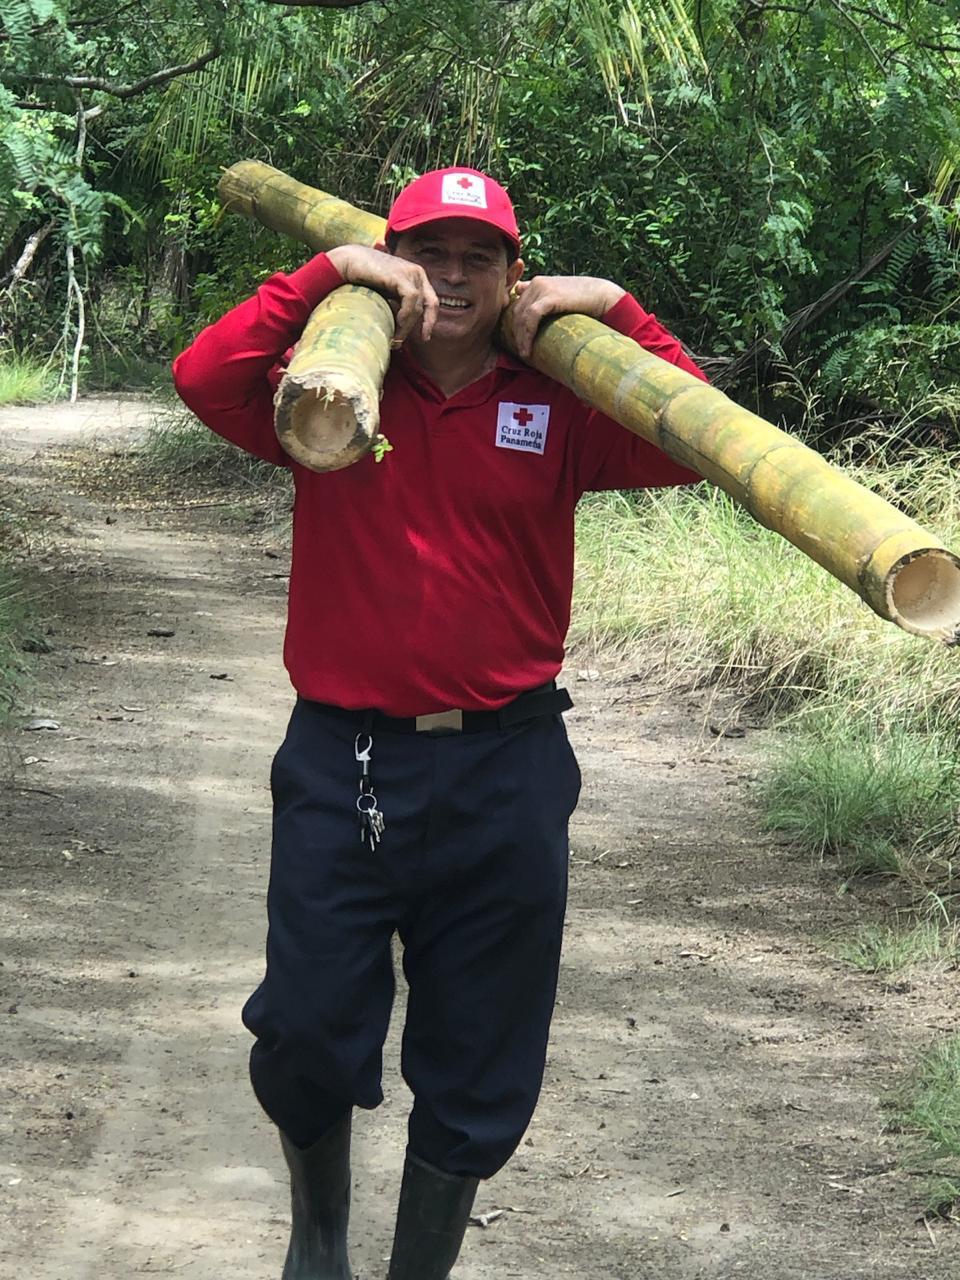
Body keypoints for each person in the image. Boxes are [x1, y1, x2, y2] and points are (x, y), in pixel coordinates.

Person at [172, 166, 706, 1280]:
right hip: (342, 757)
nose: (452, 276)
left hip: (508, 761)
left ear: (514, 272)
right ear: (395, 258)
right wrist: (326, 273)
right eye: (429, 252)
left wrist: (616, 308)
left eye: (479, 256)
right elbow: (202, 374)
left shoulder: (559, 398)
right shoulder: (329, 388)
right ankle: (318, 1238)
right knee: (308, 1025)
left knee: (480, 1050)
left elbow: (694, 433)